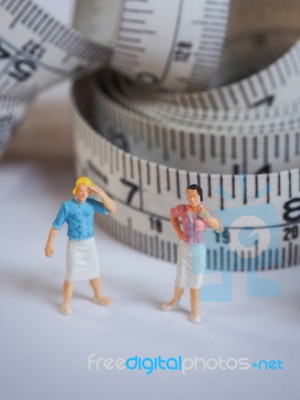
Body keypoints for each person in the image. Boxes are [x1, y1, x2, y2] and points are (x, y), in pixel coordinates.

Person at [45, 176, 117, 315]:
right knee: (71, 275)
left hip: (89, 243)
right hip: (74, 245)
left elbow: (112, 209)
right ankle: (66, 301)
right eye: (81, 190)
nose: (84, 194)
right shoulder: (66, 206)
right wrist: (49, 243)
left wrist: (102, 194)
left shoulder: (91, 203)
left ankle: (98, 295)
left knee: (94, 271)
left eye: (87, 192)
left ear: (90, 193)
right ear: (76, 190)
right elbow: (56, 226)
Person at [162, 184, 223, 324]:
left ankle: (195, 308)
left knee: (195, 280)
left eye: (194, 196)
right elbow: (172, 215)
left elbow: (219, 228)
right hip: (184, 247)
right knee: (180, 276)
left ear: (200, 196)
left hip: (198, 249)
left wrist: (205, 215)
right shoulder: (183, 209)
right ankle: (174, 301)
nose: (191, 199)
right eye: (189, 196)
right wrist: (178, 232)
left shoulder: (206, 212)